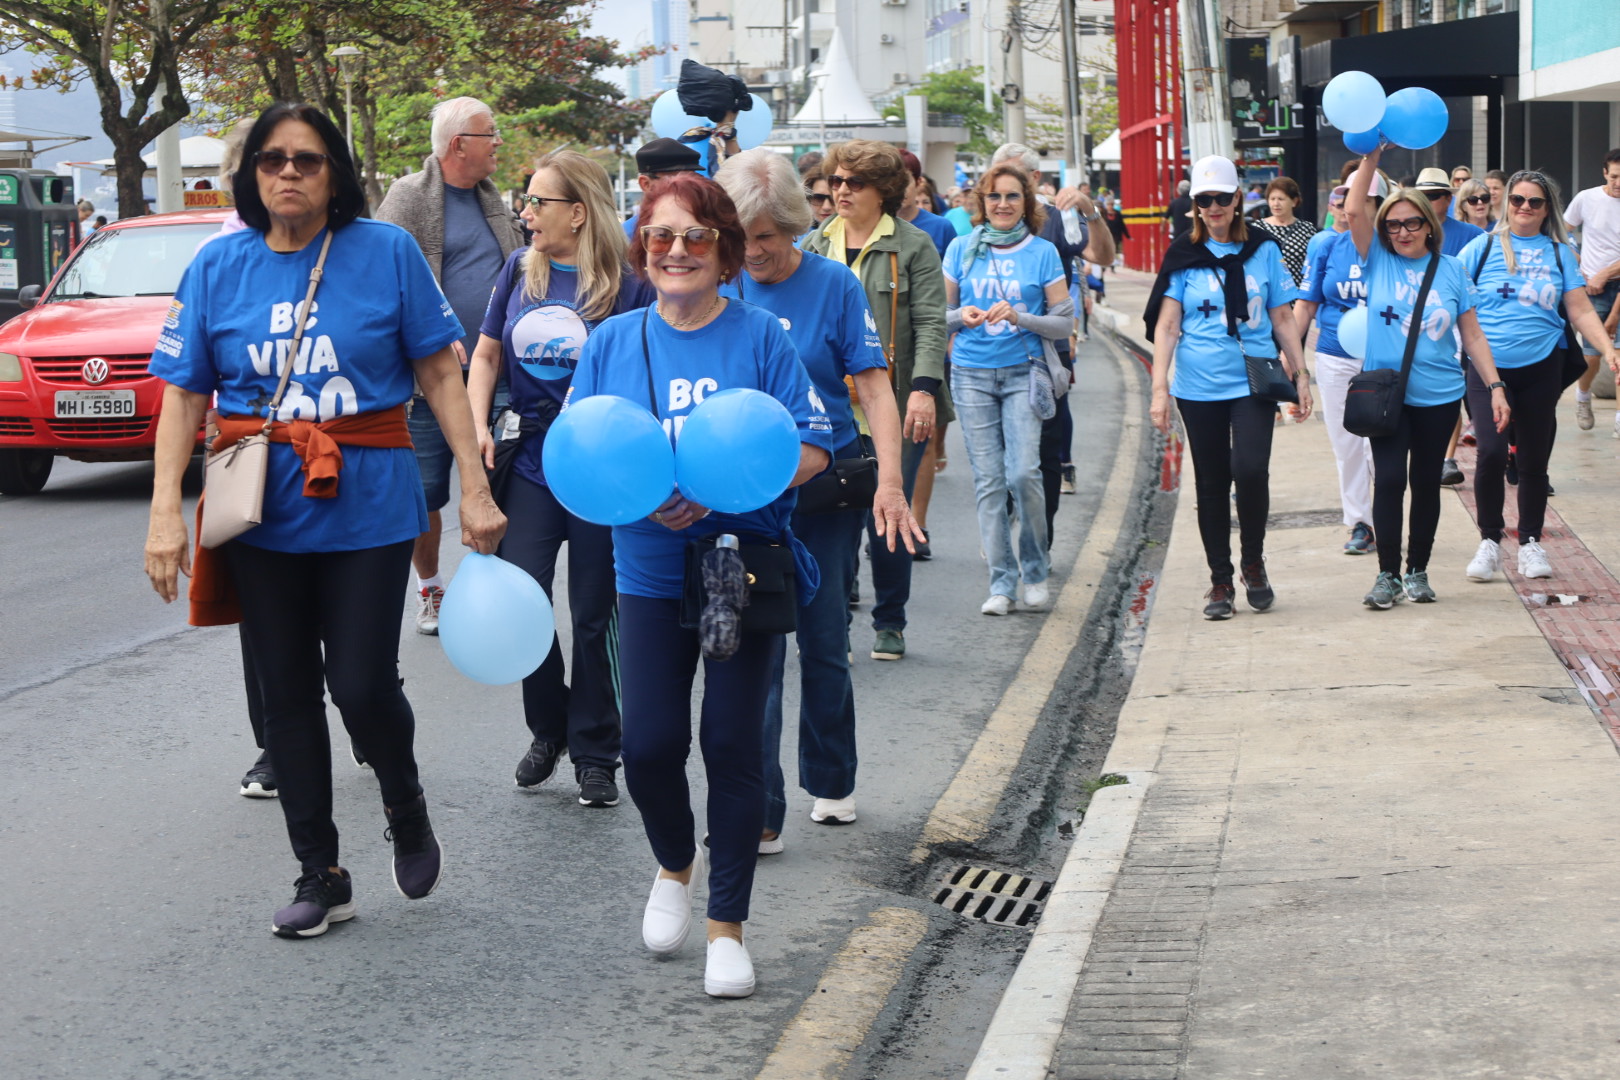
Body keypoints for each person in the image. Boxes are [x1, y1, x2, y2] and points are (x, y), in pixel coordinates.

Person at [144, 103, 506, 938]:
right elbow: (184, 396)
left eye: (307, 159)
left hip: (370, 505)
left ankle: (404, 801)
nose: (289, 173)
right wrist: (167, 511)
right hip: (259, 513)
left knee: (361, 684)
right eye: (272, 160)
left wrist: (477, 489)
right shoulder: (217, 266)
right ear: (251, 174)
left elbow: (442, 376)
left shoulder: (385, 253)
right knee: (287, 700)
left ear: (335, 172)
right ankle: (321, 872)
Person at [565, 173, 832, 999]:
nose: (676, 251)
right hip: (643, 572)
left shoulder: (761, 338)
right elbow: (584, 451)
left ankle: (727, 928)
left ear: (723, 249)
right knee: (646, 749)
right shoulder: (612, 342)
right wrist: (645, 493)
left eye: (694, 237)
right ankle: (674, 863)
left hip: (737, 567)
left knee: (730, 743)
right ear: (642, 250)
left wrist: (730, 488)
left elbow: (817, 446)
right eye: (660, 237)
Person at [714, 149, 920, 846]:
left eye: (769, 237)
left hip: (823, 488)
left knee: (824, 639)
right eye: (742, 239)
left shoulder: (835, 286)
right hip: (741, 494)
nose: (756, 253)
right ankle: (760, 808)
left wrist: (891, 481)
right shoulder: (715, 287)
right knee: (753, 650)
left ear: (798, 229)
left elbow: (872, 388)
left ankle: (830, 777)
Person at [466, 149, 655, 808]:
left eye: (537, 202)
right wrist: (476, 425)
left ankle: (597, 751)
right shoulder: (519, 270)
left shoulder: (631, 283)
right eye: (527, 200)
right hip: (530, 462)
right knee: (525, 596)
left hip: (602, 469)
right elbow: (486, 354)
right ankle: (548, 730)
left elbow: (647, 366)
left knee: (595, 610)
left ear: (578, 212)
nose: (525, 212)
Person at [374, 97, 525, 635]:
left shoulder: (494, 202)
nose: (499, 143)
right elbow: (382, 278)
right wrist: (433, 334)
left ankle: (494, 590)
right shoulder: (407, 199)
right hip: (428, 381)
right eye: (491, 134)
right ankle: (432, 588)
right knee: (426, 492)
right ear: (459, 144)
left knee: (500, 479)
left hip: (498, 375)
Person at [1144, 155, 1310, 619]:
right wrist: (1160, 390)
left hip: (1253, 382)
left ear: (1239, 199)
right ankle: (1220, 580)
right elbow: (1167, 326)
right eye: (1204, 200)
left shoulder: (1265, 249)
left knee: (1252, 469)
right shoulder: (1183, 254)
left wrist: (1300, 375)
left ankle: (1252, 562)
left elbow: (1281, 315)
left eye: (1222, 198)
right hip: (1198, 387)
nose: (1213, 207)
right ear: (1195, 204)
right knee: (1212, 482)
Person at [1343, 147, 1509, 609]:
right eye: (1393, 224)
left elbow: (1472, 336)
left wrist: (1495, 386)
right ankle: (1387, 576)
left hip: (1438, 396)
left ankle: (1417, 570)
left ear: (1428, 225)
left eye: (1411, 223)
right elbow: (1354, 207)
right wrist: (1371, 159)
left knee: (1424, 482)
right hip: (1386, 397)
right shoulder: (1378, 259)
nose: (1401, 232)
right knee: (1391, 480)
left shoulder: (1452, 270)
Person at [802, 140, 947, 663]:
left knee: (888, 510)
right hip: (829, 408)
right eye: (835, 182)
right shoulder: (813, 245)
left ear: (882, 191)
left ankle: (891, 620)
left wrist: (924, 391)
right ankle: (833, 613)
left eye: (853, 183)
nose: (839, 191)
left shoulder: (912, 246)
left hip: (893, 399)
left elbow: (930, 322)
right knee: (834, 514)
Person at [1459, 171, 1617, 583]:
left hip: (1541, 366)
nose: (1525, 208)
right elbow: (1448, 296)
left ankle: (1530, 542)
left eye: (1535, 202)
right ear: (1505, 203)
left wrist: (1608, 349)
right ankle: (1490, 540)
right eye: (1517, 200)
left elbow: (1580, 309)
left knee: (1532, 458)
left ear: (1548, 209)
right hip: (1487, 368)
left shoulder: (1560, 252)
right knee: (1491, 452)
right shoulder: (1482, 247)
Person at [944, 161, 1074, 614]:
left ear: (1027, 202)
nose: (1002, 204)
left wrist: (1021, 317)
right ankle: (1001, 582)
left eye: (1012, 196)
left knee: (1024, 473)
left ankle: (1035, 569)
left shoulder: (1043, 252)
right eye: (994, 196)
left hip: (1025, 371)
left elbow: (1064, 324)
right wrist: (964, 317)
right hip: (971, 374)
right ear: (982, 201)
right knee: (990, 482)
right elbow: (937, 319)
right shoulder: (961, 249)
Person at [1296, 174, 1389, 556]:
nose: (1353, 208)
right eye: (1349, 199)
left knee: (1379, 446)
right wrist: (1292, 361)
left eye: (1365, 200)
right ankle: (1360, 523)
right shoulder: (1326, 245)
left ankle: (1386, 515)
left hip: (1384, 360)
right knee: (1347, 444)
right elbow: (1306, 303)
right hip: (1334, 356)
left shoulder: (1392, 245)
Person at [1562, 149, 1620, 435]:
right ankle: (1583, 397)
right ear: (1604, 173)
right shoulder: (1587, 198)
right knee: (1592, 355)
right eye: (1614, 176)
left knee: (1619, 354)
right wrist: (1577, 260)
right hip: (1592, 290)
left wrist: (1605, 273)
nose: (1619, 182)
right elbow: (1562, 229)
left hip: (1614, 281)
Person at [622, 138, 705, 238]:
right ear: (645, 184)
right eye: (673, 181)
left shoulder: (708, 226)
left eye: (692, 180)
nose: (685, 188)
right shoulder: (626, 236)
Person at [1251, 177, 1318, 286]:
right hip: (1267, 294)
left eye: (1281, 199)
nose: (1276, 204)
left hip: (1298, 294)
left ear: (1294, 201)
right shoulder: (1257, 228)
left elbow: (1313, 265)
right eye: (1272, 199)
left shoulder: (1307, 229)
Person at [1413, 168, 1486, 256]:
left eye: (1432, 195)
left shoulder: (1472, 234)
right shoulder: (1403, 232)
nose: (1425, 201)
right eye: (1420, 196)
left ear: (1448, 199)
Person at [898, 149, 956, 257]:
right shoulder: (872, 224)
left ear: (918, 182)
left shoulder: (942, 227)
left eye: (905, 181)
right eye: (893, 181)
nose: (900, 187)